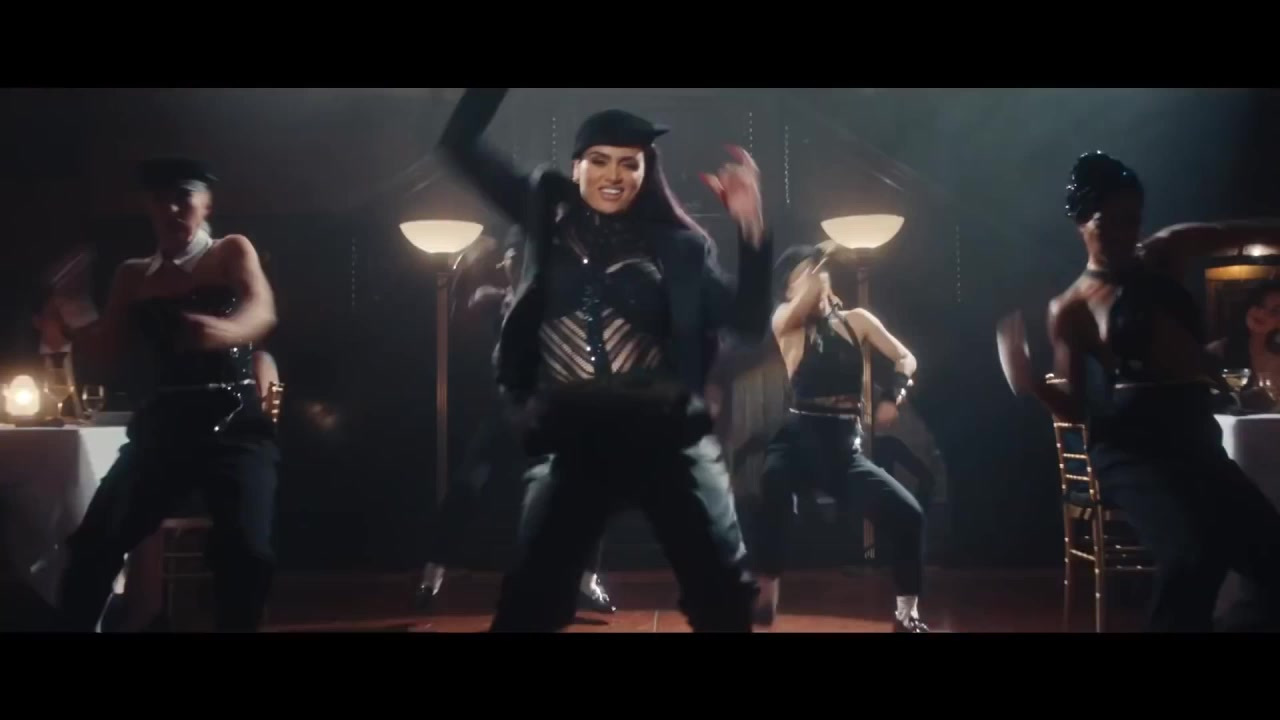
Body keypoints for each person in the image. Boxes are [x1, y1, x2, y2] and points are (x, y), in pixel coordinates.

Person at [437, 88, 772, 632]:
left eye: (628, 163)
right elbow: (458, 144)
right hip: (573, 438)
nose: (613, 175)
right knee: (527, 607)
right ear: (576, 167)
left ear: (645, 172)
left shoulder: (679, 247)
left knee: (724, 601)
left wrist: (751, 229)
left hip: (668, 438)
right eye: (599, 160)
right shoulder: (544, 216)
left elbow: (749, 323)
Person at [996, 150, 1280, 632]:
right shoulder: (1071, 307)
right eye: (1109, 222)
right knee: (1192, 557)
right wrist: (1031, 383)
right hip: (1132, 448)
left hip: (1193, 435)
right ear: (1082, 222)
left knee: (1271, 557)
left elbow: (1240, 231)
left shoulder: (1165, 252)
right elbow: (1077, 406)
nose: (1125, 234)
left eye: (1132, 220)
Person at [37, 157, 280, 633]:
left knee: (248, 551)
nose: (171, 209)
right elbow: (105, 352)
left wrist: (223, 331)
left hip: (235, 421)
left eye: (183, 197)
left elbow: (262, 311)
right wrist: (71, 314)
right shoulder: (133, 275)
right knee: (95, 542)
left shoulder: (230, 251)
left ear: (206, 203)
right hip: (166, 424)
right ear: (147, 207)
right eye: (160, 200)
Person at [415, 230, 616, 615]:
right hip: (507, 411)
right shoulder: (497, 298)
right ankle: (432, 574)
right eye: (513, 260)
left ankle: (586, 579)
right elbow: (472, 307)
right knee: (468, 485)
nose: (517, 266)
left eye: (523, 261)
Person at [750, 243, 928, 632]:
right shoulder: (786, 320)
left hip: (842, 448)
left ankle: (906, 614)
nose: (810, 279)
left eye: (812, 272)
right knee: (772, 482)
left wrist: (892, 395)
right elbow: (809, 293)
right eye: (799, 276)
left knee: (908, 514)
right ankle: (766, 588)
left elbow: (906, 358)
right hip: (798, 439)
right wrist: (822, 255)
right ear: (789, 290)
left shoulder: (856, 321)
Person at [1206, 278, 1280, 410]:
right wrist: (1242, 399)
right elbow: (1203, 400)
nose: (1262, 313)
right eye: (1260, 305)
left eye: (1274, 311)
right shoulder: (1219, 350)